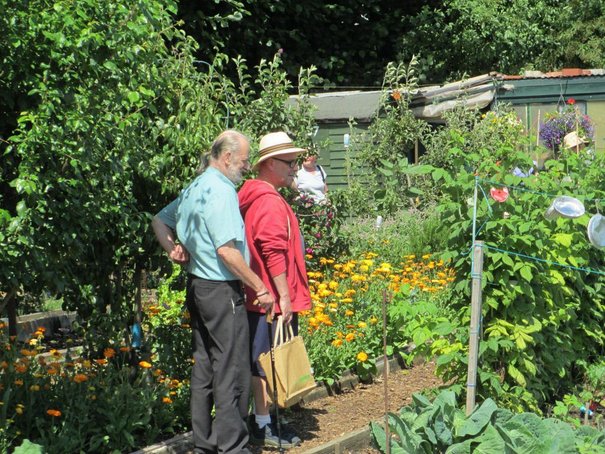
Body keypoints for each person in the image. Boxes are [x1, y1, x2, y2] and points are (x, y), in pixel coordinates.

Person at [152, 130, 275, 454]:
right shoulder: (220, 192)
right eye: (245, 161)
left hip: (198, 288)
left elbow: (159, 221)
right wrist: (261, 288)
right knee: (232, 370)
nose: (247, 167)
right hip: (221, 292)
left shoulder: (195, 187)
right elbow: (227, 252)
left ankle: (205, 444)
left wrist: (172, 249)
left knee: (205, 367)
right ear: (227, 157)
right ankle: (232, 447)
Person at [238, 131, 312, 448]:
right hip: (270, 300)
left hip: (260, 298)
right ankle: (264, 424)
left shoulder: (257, 196)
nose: (295, 167)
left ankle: (265, 420)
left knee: (262, 361)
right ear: (270, 164)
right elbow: (272, 251)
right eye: (290, 162)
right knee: (266, 361)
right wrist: (283, 296)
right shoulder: (267, 201)